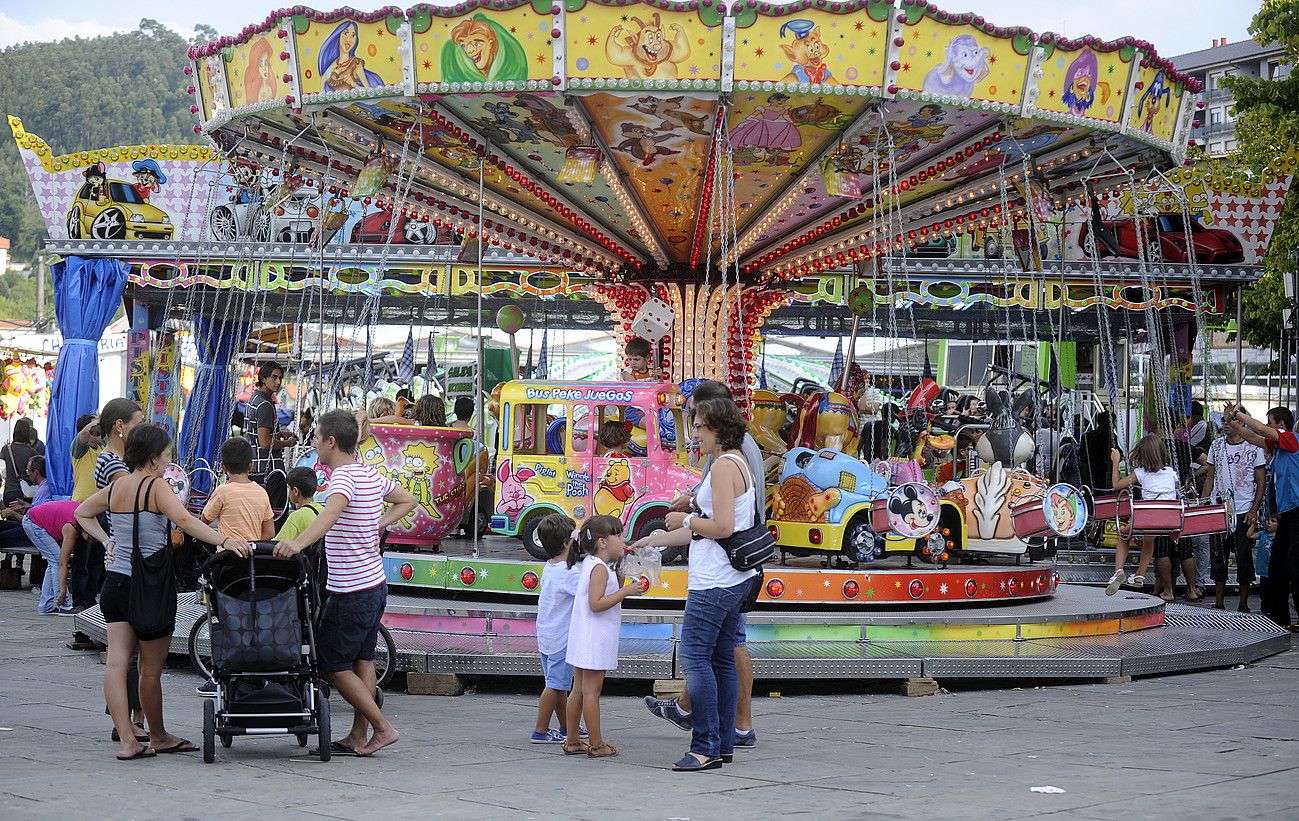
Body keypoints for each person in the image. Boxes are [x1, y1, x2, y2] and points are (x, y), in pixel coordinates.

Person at [75, 424, 252, 761]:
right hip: (149, 588)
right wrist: (224, 540)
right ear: (154, 459)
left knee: (115, 663)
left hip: (116, 584)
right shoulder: (156, 487)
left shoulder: (115, 488)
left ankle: (128, 739)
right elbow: (186, 522)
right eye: (167, 453)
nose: (170, 458)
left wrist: (106, 540)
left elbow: (82, 512)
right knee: (149, 670)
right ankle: (158, 735)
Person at [274, 410, 417, 756]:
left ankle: (382, 728)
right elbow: (408, 500)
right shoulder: (370, 475)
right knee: (362, 660)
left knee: (331, 664)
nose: (313, 443)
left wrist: (297, 543)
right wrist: (378, 522)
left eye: (316, 437)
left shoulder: (341, 480)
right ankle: (358, 734)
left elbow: (330, 514)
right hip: (374, 585)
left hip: (350, 590)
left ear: (331, 442)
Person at [642, 380, 760, 750]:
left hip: (713, 582)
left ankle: (705, 744)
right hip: (728, 577)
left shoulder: (725, 465)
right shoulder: (733, 461)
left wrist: (687, 520)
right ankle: (722, 743)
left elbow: (720, 526)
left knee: (696, 659)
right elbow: (712, 525)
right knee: (722, 660)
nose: (694, 434)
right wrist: (654, 540)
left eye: (697, 425)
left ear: (716, 426)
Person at [563, 515, 641, 758]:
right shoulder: (599, 569)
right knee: (591, 692)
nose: (622, 539)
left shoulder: (595, 564)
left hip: (583, 635)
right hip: (594, 638)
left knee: (578, 689)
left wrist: (620, 573)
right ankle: (597, 744)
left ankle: (573, 740)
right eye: (617, 535)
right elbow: (596, 604)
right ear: (602, 542)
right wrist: (627, 591)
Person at [1223, 404, 1299, 628]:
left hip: (1297, 511)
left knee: (1295, 567)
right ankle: (1280, 619)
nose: (1267, 427)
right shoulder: (1279, 447)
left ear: (1281, 426)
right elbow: (1250, 435)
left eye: (1270, 423)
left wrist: (1239, 414)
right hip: (1288, 512)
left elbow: (1258, 429)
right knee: (1277, 567)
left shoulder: (1292, 439)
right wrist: (1233, 423)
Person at [1105, 436, 1196, 601]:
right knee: (1149, 540)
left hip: (1148, 516)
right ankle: (1139, 575)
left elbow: (1116, 485)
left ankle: (1118, 571)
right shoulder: (1171, 472)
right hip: (1169, 519)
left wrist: (1115, 462)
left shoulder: (1140, 473)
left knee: (1124, 535)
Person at [1203, 415, 1266, 611]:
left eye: (1232, 421)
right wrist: (1205, 505)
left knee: (1244, 558)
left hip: (1243, 510)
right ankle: (1219, 602)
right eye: (1225, 421)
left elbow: (1261, 482)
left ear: (1242, 424)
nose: (1227, 425)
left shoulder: (1254, 447)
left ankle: (1243, 604)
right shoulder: (1216, 445)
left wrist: (1254, 509)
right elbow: (1210, 478)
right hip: (1219, 510)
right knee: (1218, 557)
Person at [531, 513, 583, 744]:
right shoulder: (569, 573)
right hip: (561, 639)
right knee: (554, 686)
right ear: (565, 543)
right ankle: (540, 731)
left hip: (547, 636)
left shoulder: (550, 567)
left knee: (560, 685)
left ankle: (566, 726)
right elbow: (589, 593)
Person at [201, 438, 275, 543]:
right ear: (251, 465)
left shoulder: (222, 492)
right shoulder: (261, 492)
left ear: (223, 467)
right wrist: (249, 546)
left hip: (227, 555)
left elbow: (203, 522)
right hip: (252, 556)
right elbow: (270, 533)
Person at [245, 362, 296, 512]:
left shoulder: (255, 399)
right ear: (263, 378)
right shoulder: (265, 405)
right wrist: (287, 443)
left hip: (255, 467)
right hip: (270, 470)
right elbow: (265, 443)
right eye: (274, 377)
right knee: (276, 515)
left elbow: (257, 430)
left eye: (280, 378)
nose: (278, 382)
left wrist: (279, 433)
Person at [22, 499, 82, 614]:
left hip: (34, 518)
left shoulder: (84, 512)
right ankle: (64, 605)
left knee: (53, 561)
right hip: (33, 522)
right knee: (56, 560)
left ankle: (46, 606)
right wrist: (63, 592)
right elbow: (62, 564)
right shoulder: (72, 527)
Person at [274, 467, 321, 543]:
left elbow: (277, 544)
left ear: (295, 491)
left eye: (289, 488)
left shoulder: (297, 516)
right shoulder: (323, 510)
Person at [3, 417, 40, 508]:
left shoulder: (6, 449)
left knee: (10, 519)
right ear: (28, 433)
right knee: (23, 520)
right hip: (26, 493)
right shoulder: (32, 452)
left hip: (9, 492)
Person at [71, 413, 105, 503]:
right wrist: (100, 420)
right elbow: (84, 434)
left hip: (99, 504)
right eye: (96, 427)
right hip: (81, 503)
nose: (100, 429)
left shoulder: (102, 447)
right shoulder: (79, 450)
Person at [856, 370, 887, 462]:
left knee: (874, 453)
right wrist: (863, 392)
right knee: (860, 451)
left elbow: (875, 409)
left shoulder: (875, 393)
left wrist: (865, 409)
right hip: (861, 429)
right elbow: (861, 407)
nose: (867, 381)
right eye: (865, 379)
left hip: (874, 428)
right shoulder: (857, 394)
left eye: (868, 379)